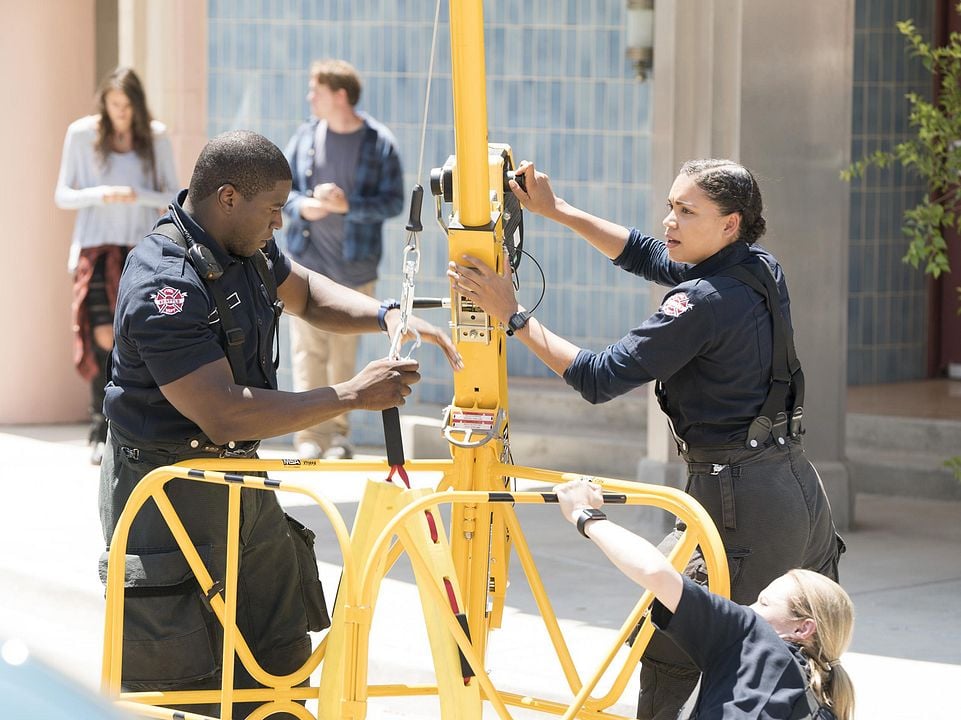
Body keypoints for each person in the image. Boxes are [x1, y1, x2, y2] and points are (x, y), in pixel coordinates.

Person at [448, 158, 844, 720]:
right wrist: (557, 211)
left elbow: (599, 377)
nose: (669, 221)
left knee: (676, 643)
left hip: (741, 499)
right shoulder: (757, 266)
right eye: (670, 206)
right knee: (805, 651)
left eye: (687, 211)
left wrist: (513, 316)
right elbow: (649, 256)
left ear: (730, 223)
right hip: (794, 487)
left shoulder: (701, 303)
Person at [99, 130, 460, 719]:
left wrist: (386, 313)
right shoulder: (164, 283)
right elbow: (222, 412)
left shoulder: (245, 248)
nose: (279, 226)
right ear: (228, 197)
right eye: (273, 211)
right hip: (167, 496)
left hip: (242, 485)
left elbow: (309, 295)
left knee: (278, 665)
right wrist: (349, 394)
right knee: (186, 684)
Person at [555, 479, 855, 720]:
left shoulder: (752, 636)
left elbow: (655, 571)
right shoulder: (823, 703)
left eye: (763, 603)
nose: (746, 607)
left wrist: (585, 514)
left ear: (803, 629)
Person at [282, 58, 405, 460]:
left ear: (339, 95)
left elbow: (393, 202)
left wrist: (346, 206)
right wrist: (306, 207)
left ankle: (338, 437)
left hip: (354, 268)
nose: (308, 98)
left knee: (342, 356)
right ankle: (308, 437)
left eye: (315, 90)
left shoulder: (379, 142)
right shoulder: (305, 138)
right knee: (307, 354)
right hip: (306, 265)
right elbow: (282, 193)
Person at [55, 66, 178, 465]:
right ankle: (100, 424)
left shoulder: (155, 137)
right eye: (114, 104)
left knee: (137, 336)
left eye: (127, 105)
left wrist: (135, 195)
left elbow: (172, 194)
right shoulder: (81, 134)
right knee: (102, 336)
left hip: (141, 250)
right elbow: (63, 195)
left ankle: (129, 426)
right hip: (96, 248)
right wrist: (103, 194)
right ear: (104, 103)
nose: (120, 112)